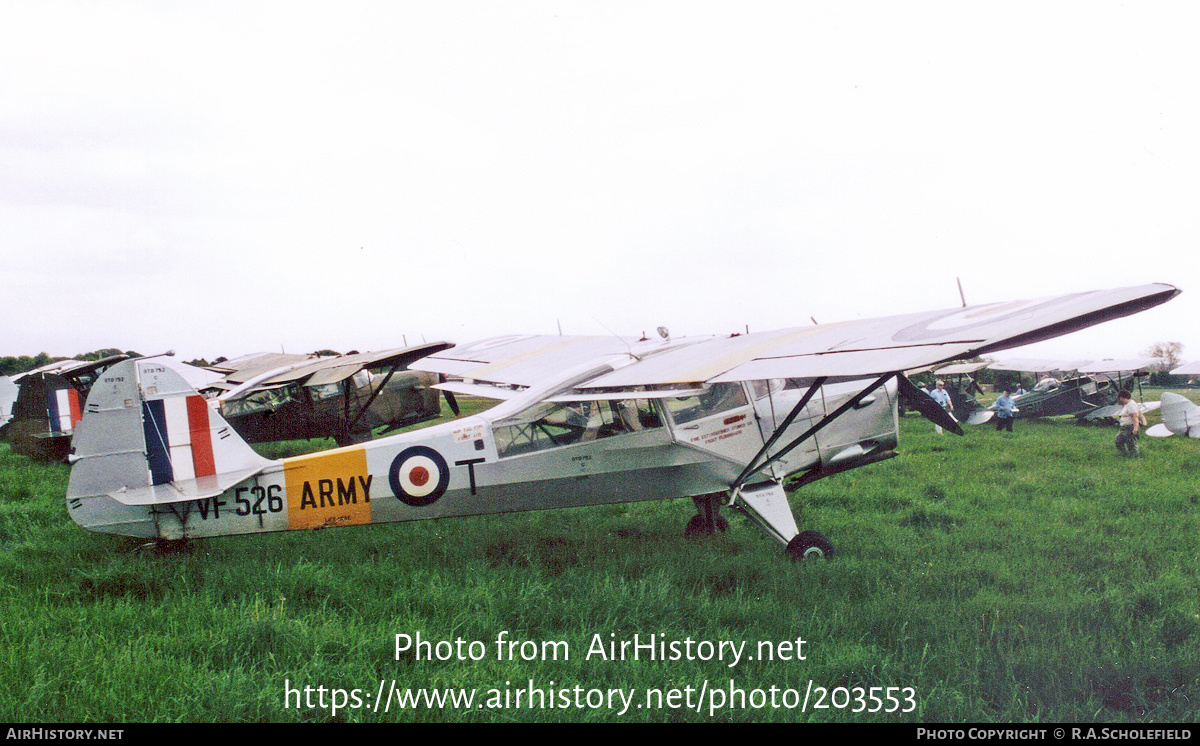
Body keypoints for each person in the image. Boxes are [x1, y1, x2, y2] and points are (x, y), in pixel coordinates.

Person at [1114, 389, 1145, 457]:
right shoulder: (1127, 404)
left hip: (1129, 427)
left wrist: (1136, 428)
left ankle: (1135, 457)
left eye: (1119, 398)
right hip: (1124, 427)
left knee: (1131, 444)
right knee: (1118, 441)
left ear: (1122, 398)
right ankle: (1124, 455)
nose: (1119, 400)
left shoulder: (1130, 405)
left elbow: (1135, 417)